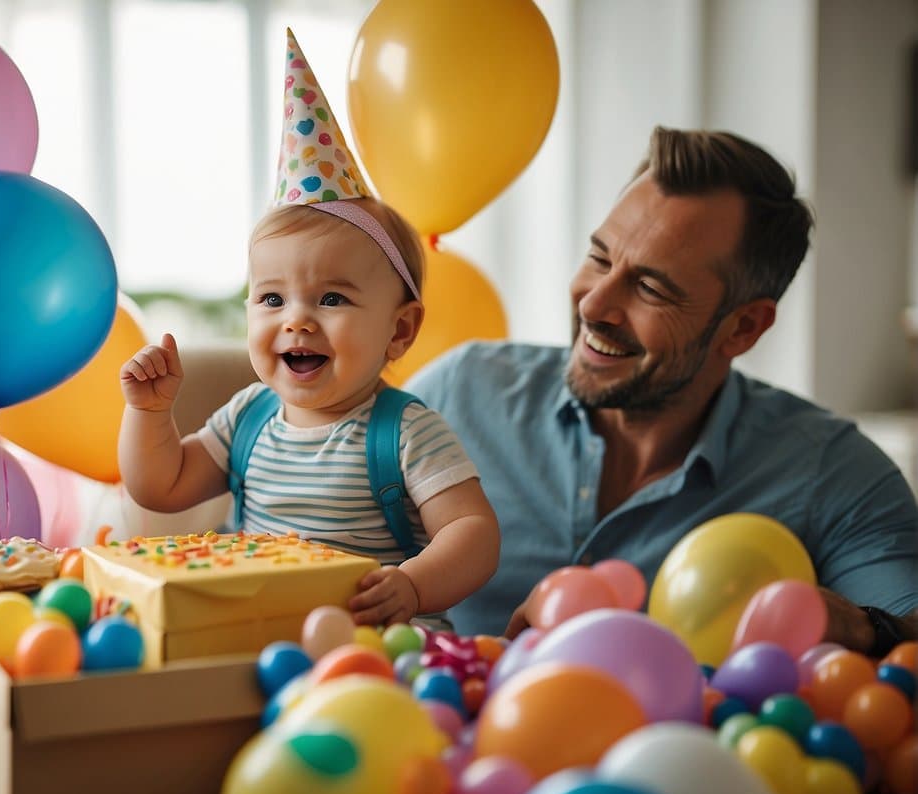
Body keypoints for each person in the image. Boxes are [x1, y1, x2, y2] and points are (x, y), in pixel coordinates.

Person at [407, 126, 918, 655]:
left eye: (650, 288)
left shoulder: (830, 472)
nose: (593, 305)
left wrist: (859, 627)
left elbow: (909, 632)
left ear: (743, 328)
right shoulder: (459, 394)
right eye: (600, 259)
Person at [117, 30, 499, 628]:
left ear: (399, 331)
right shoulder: (247, 418)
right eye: (271, 297)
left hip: (376, 643)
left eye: (330, 298)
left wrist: (412, 586)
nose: (295, 318)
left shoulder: (403, 432)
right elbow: (159, 487)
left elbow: (473, 533)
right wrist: (148, 415)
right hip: (263, 642)